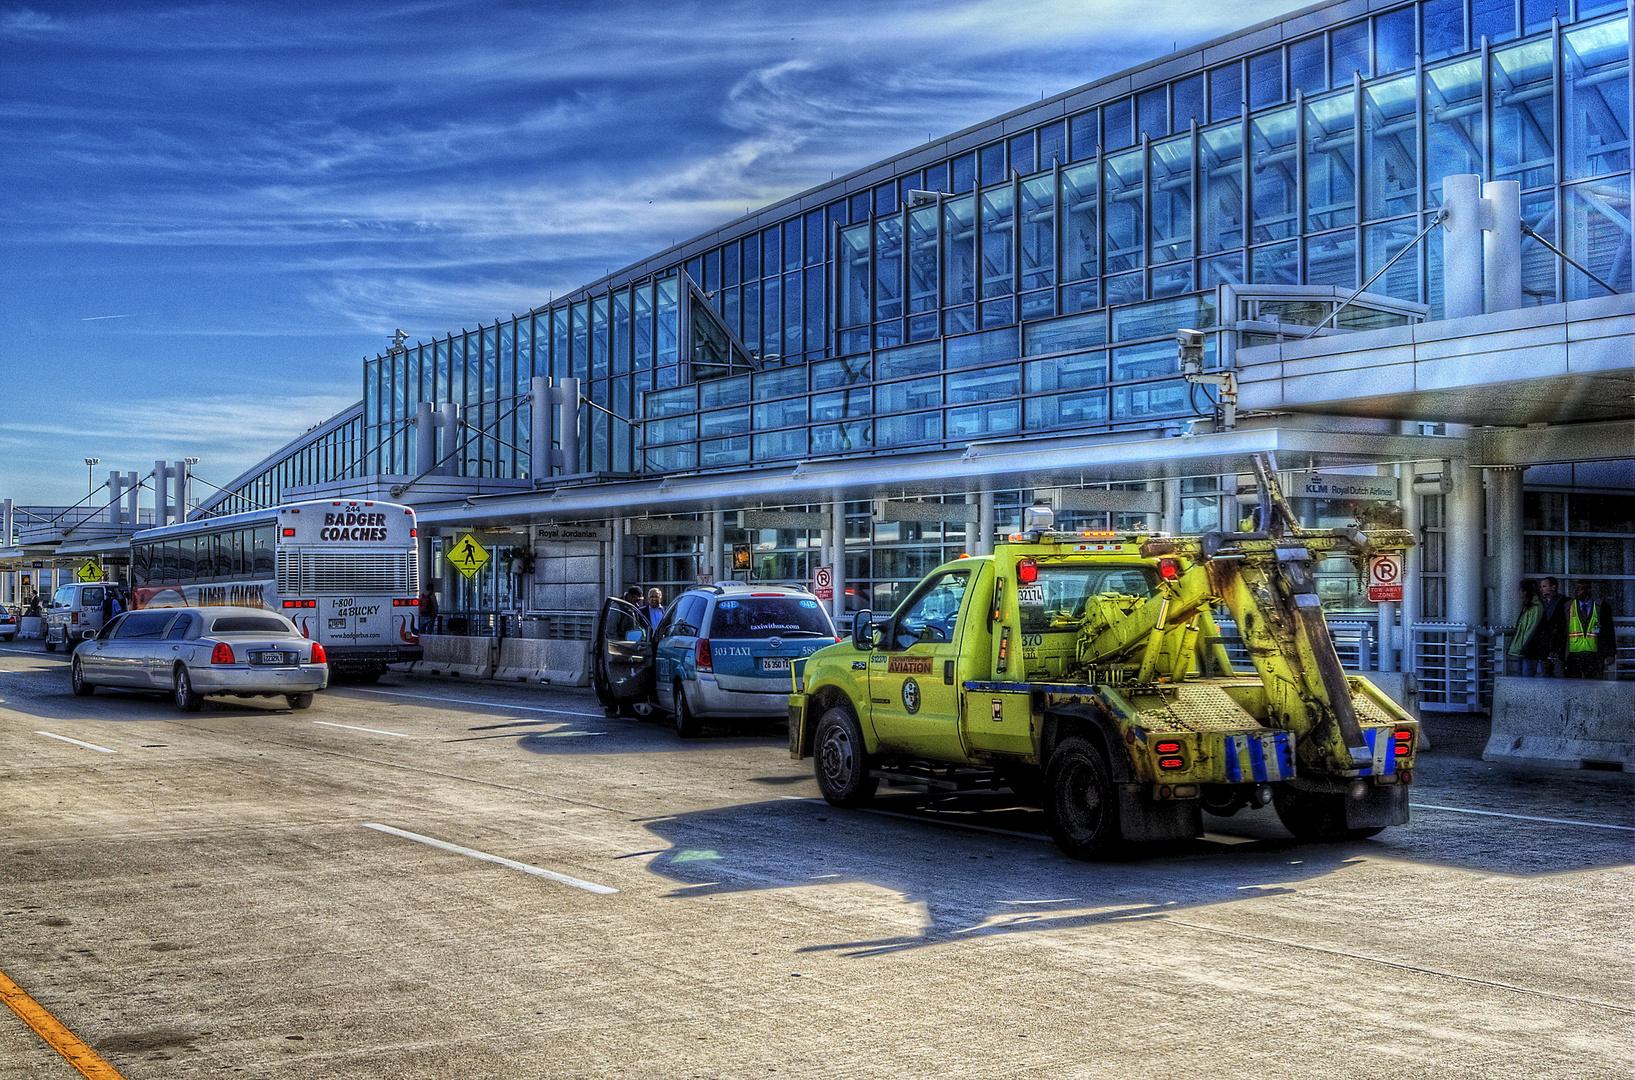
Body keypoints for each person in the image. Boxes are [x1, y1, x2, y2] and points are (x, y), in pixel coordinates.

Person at [1565, 580, 1616, 680]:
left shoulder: (1601, 606)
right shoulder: (1568, 606)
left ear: (1588, 590)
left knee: (1595, 685)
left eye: (1580, 589)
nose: (1577, 592)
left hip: (1595, 655)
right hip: (1574, 654)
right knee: (1573, 686)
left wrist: (1611, 653)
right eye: (1575, 589)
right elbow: (1562, 630)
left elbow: (1609, 630)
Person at [1509, 578, 1546, 677]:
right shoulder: (1530, 606)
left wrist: (1523, 648)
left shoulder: (1535, 607)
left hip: (1528, 651)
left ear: (1525, 591)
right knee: (1524, 678)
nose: (1519, 592)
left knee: (1526, 679)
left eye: (1520, 590)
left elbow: (1532, 630)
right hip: (1525, 650)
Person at [1534, 576, 1568, 677]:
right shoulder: (1545, 605)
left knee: (1557, 677)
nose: (1541, 589)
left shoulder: (1564, 603)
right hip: (1546, 649)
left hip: (1557, 650)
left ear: (1553, 587)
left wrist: (1557, 648)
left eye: (1544, 586)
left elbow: (1562, 628)